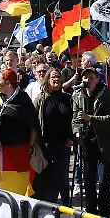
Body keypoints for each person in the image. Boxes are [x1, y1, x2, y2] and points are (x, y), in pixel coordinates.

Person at [71, 65, 110, 218]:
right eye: (85, 77)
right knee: (88, 179)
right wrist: (77, 131)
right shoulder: (78, 94)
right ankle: (91, 211)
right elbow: (75, 117)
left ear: (98, 79)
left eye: (91, 78)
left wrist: (90, 118)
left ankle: (106, 214)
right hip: (87, 143)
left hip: (104, 143)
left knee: (105, 181)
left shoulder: (107, 95)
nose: (87, 81)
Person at [0, 69, 39, 196]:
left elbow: (33, 125)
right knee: (0, 188)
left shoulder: (23, 99)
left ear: (8, 83)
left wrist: (31, 147)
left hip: (18, 152)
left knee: (17, 188)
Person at [33, 67, 73, 205]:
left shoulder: (68, 99)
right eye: (53, 77)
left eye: (58, 77)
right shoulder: (41, 99)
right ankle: (49, 204)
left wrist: (71, 138)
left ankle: (66, 205)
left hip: (63, 143)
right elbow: (33, 121)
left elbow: (74, 120)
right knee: (47, 174)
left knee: (62, 175)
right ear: (47, 80)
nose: (56, 79)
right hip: (45, 144)